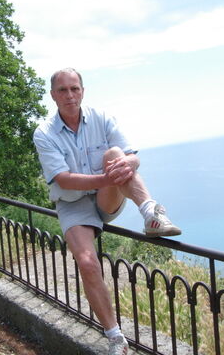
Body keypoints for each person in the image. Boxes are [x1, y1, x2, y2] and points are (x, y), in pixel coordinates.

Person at [33, 67, 182, 355]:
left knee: (116, 155)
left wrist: (125, 166)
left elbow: (132, 157)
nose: (69, 95)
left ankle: (151, 214)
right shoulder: (44, 133)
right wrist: (108, 177)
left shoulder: (101, 117)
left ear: (83, 91)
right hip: (73, 203)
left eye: (74, 88)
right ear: (53, 95)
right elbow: (63, 179)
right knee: (87, 262)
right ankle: (116, 338)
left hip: (106, 198)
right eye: (62, 90)